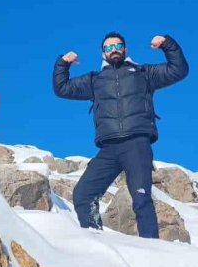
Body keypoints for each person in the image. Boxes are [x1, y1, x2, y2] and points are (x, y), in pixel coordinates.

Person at [53, 32, 188, 237]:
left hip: (137, 143)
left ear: (125, 49)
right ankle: (97, 243)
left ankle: (152, 251)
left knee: (141, 198)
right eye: (108, 48)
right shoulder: (94, 80)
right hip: (109, 148)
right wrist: (63, 63)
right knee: (83, 194)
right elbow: (62, 88)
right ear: (103, 53)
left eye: (117, 46)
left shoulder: (143, 73)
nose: (113, 49)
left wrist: (167, 44)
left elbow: (178, 69)